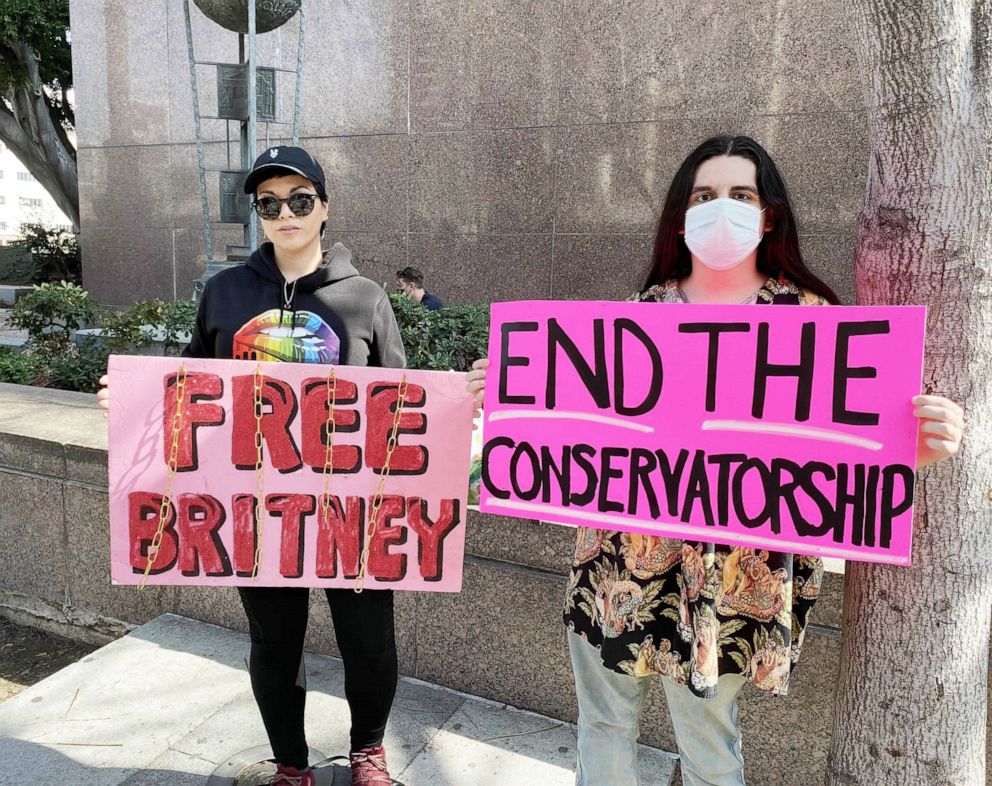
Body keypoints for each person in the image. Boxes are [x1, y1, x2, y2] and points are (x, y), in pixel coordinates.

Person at [465, 135, 965, 786]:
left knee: (709, 752)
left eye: (740, 195)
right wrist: (505, 399)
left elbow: (845, 460)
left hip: (724, 588)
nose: (719, 210)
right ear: (681, 213)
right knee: (604, 729)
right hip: (615, 570)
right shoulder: (642, 313)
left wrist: (918, 446)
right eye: (704, 196)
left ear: (769, 214)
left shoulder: (812, 320)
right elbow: (578, 424)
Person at [98, 145, 405, 786]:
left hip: (350, 507)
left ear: (324, 208)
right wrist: (128, 403)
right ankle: (291, 764)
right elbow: (188, 387)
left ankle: (368, 751)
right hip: (257, 505)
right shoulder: (225, 293)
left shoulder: (366, 298)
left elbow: (400, 402)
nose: (285, 212)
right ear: (257, 215)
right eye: (269, 203)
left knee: (369, 640)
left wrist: (464, 406)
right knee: (274, 641)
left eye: (300, 199)